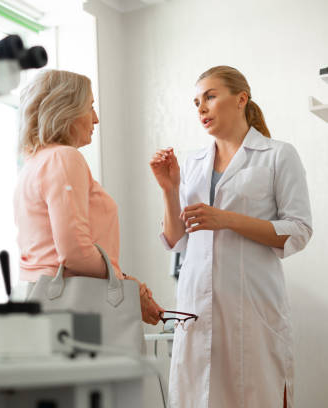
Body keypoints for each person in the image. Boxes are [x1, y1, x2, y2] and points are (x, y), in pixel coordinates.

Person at [150, 66, 312, 408]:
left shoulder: (278, 155)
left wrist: (226, 219)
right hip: (197, 307)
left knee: (257, 395)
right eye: (196, 102)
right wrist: (170, 189)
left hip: (252, 308)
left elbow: (298, 230)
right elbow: (178, 240)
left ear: (241, 99)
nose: (201, 108)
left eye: (210, 96)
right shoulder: (192, 163)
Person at [14, 69, 163, 326]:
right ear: (65, 110)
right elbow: (75, 251)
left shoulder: (34, 162)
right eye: (90, 107)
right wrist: (124, 282)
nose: (95, 119)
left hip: (39, 298)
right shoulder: (64, 158)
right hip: (71, 307)